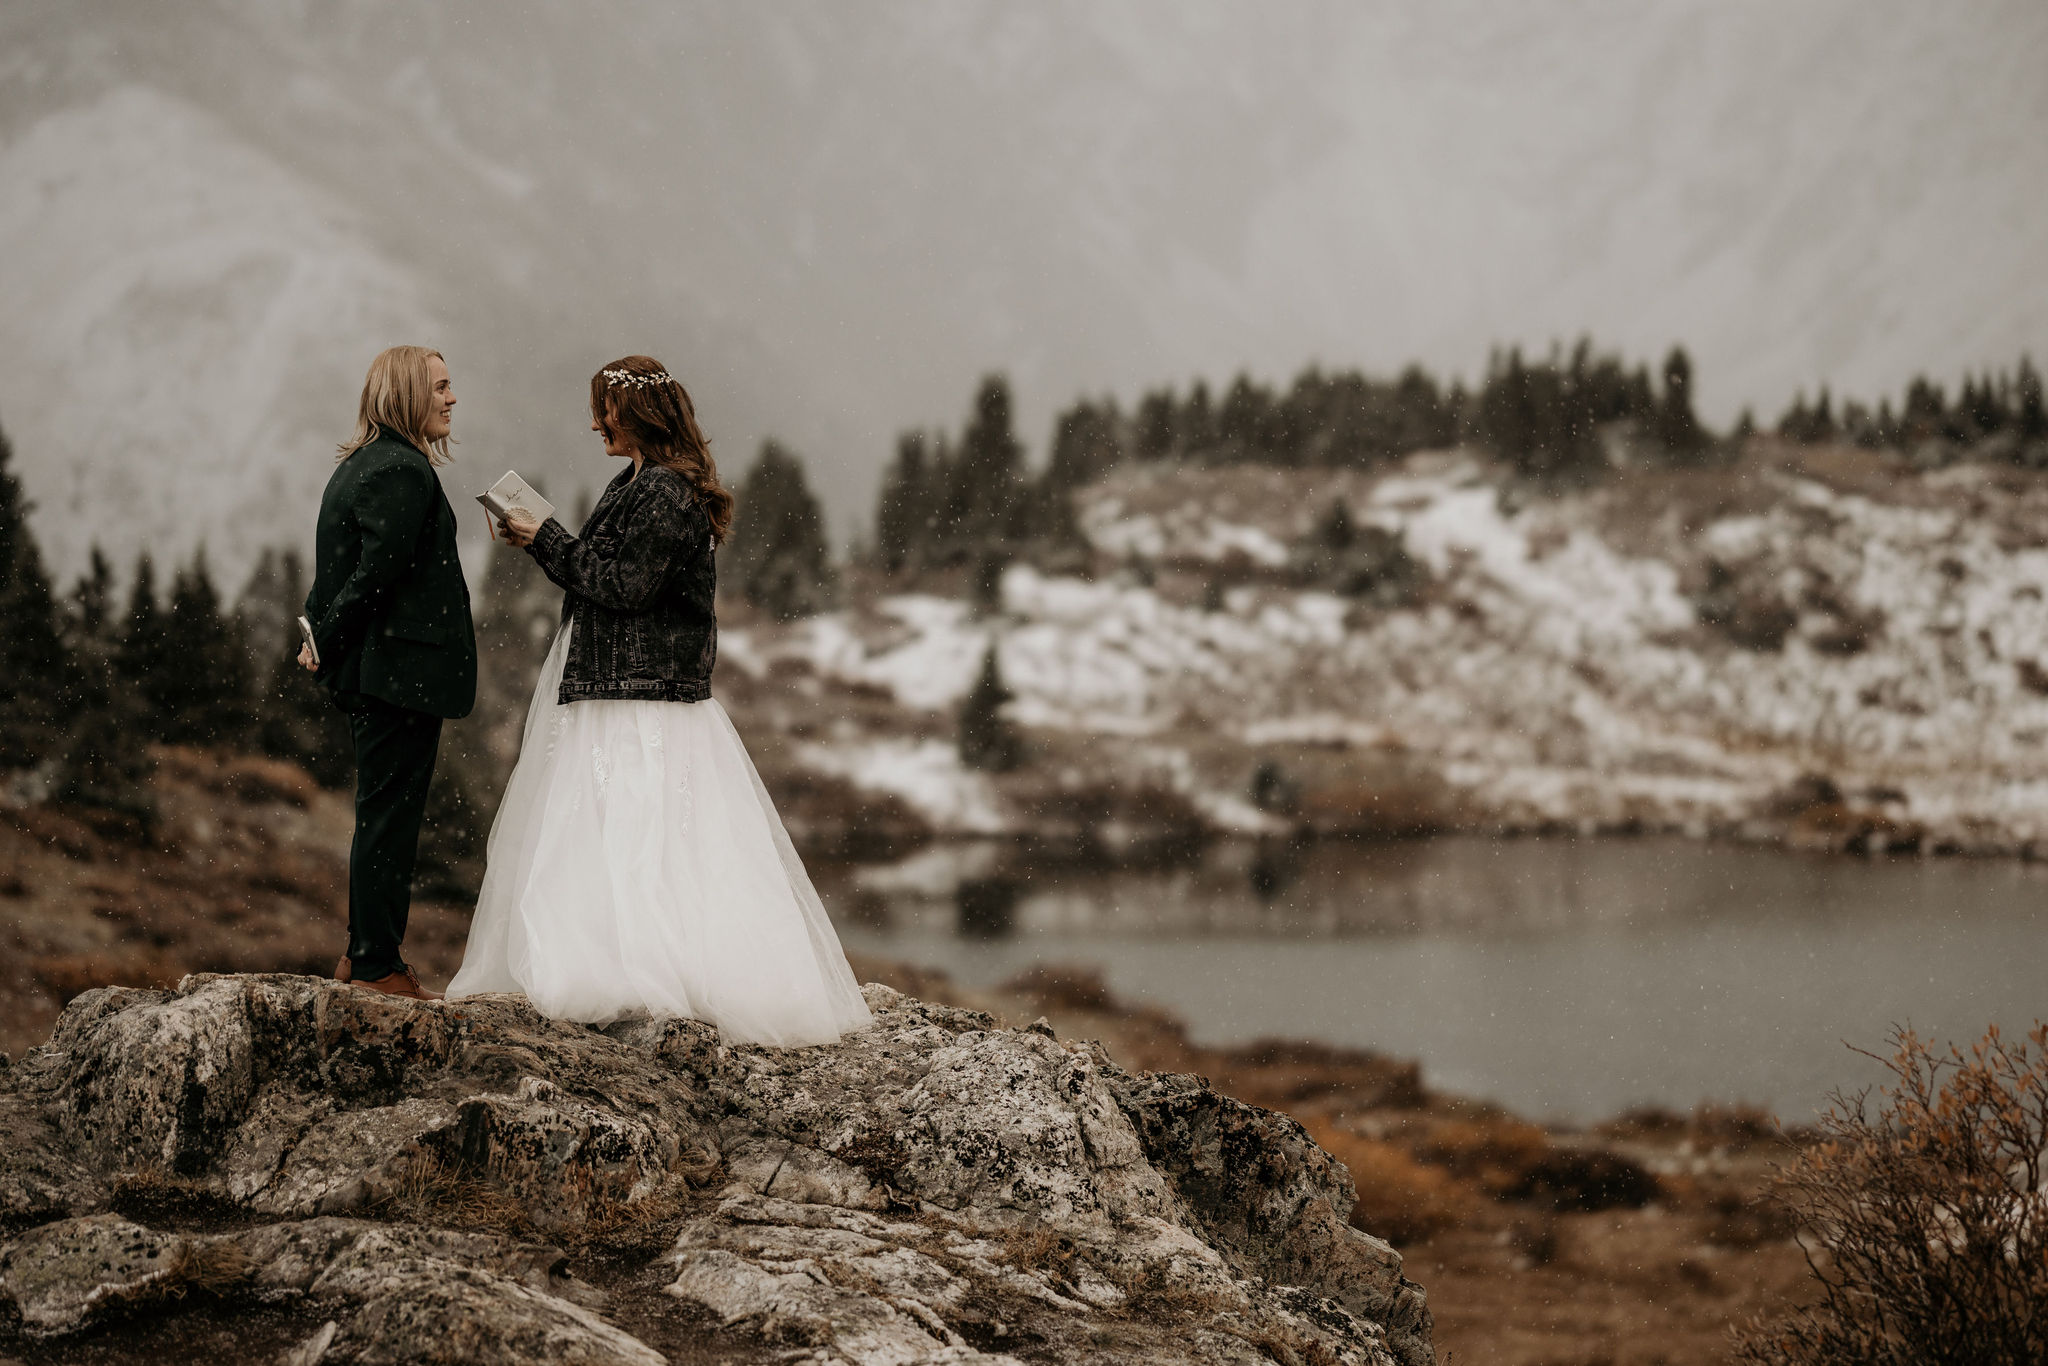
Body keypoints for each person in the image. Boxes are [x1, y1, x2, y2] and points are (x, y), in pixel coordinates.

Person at [445, 355, 871, 1046]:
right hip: (623, 688)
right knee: (626, 837)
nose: (593, 424)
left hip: (642, 699)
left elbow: (623, 587)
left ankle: (640, 977)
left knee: (637, 836)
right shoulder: (639, 484)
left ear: (638, 413)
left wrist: (546, 538)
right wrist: (542, 543)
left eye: (603, 410)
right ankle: (621, 971)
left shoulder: (665, 493)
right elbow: (607, 576)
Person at [301, 346, 477, 1001]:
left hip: (383, 673)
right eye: (440, 386)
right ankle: (377, 962)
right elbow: (377, 572)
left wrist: (320, 627)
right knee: (390, 820)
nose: (452, 398)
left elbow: (336, 569)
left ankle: (364, 955)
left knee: (381, 814)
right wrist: (325, 633)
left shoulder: (359, 467)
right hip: (401, 674)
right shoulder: (402, 471)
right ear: (407, 395)